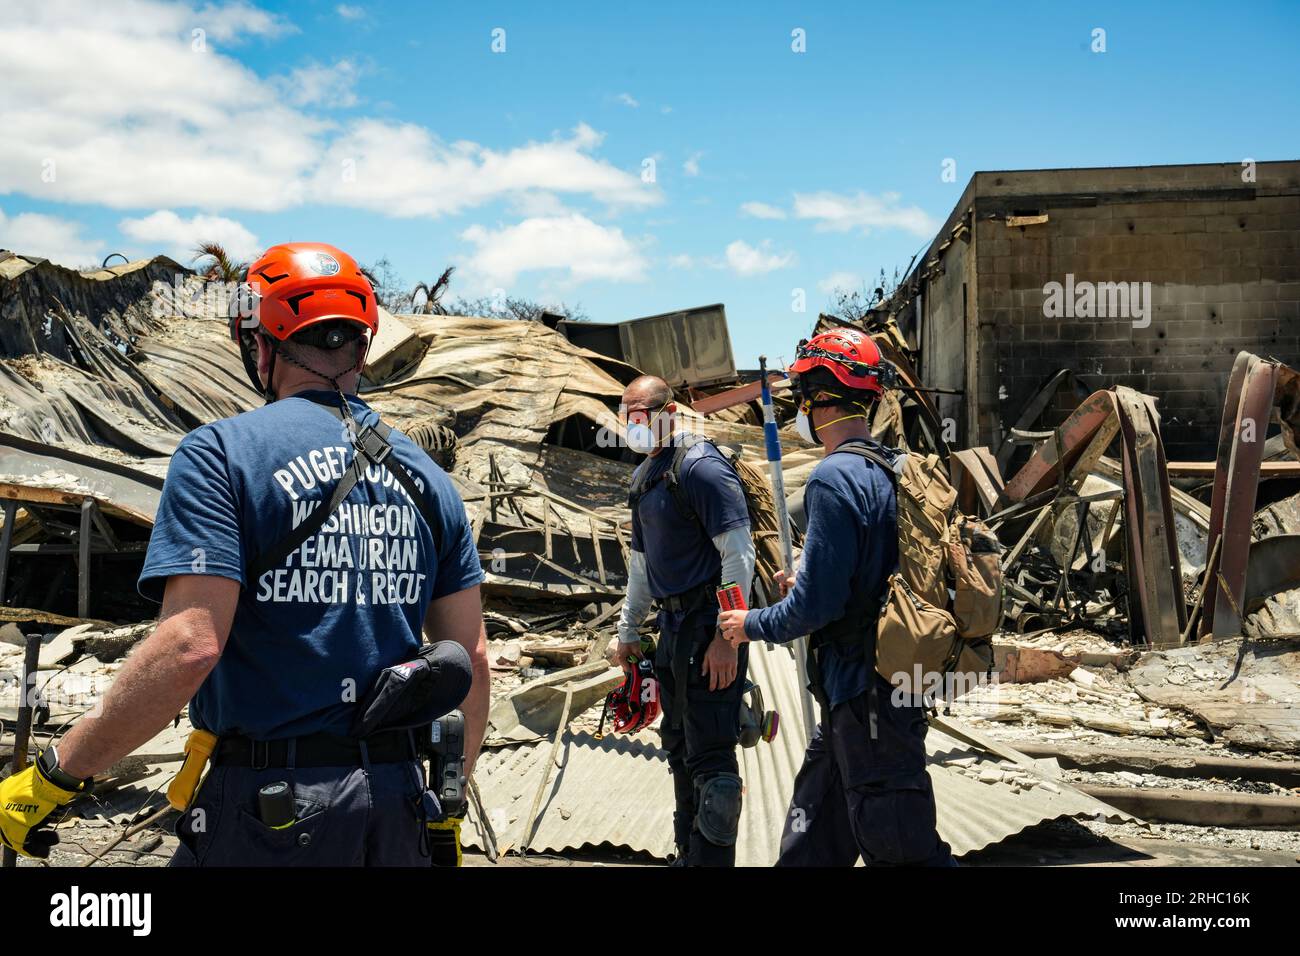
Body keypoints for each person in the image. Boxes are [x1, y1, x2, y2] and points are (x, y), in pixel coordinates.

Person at [0, 242, 489, 866]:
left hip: (272, 811)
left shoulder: (221, 455)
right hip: (398, 809)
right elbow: (469, 658)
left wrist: (52, 775)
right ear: (361, 347)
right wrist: (446, 809)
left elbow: (189, 647)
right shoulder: (429, 479)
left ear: (260, 345)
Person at [717, 329, 952, 867]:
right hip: (871, 691)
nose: (801, 411)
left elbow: (815, 608)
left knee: (901, 846)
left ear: (819, 401)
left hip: (867, 696)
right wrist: (807, 580)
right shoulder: (893, 470)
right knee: (814, 836)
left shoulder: (832, 479)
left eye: (803, 399)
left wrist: (748, 623)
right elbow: (863, 577)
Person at [613, 374, 755, 866]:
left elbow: (739, 556)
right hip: (672, 631)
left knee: (712, 760)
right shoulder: (644, 477)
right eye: (625, 416)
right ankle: (688, 854)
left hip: (708, 625)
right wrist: (629, 631)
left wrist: (727, 637)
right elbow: (640, 565)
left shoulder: (700, 468)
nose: (631, 425)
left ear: (667, 414)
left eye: (639, 416)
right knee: (677, 747)